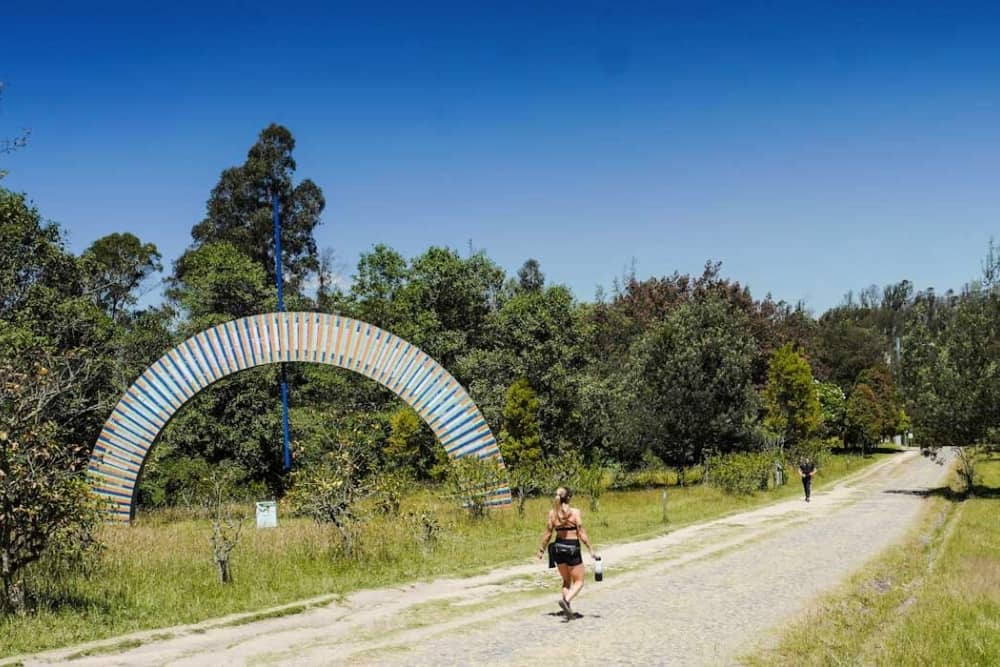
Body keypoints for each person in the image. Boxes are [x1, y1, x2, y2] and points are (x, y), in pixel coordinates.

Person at [535, 487, 596, 619]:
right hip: (572, 547)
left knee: (566, 580)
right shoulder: (575, 512)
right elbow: (581, 532)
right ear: (568, 498)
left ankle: (567, 608)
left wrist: (541, 550)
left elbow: (548, 533)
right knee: (579, 581)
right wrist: (590, 548)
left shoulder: (552, 514)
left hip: (557, 548)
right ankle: (566, 601)